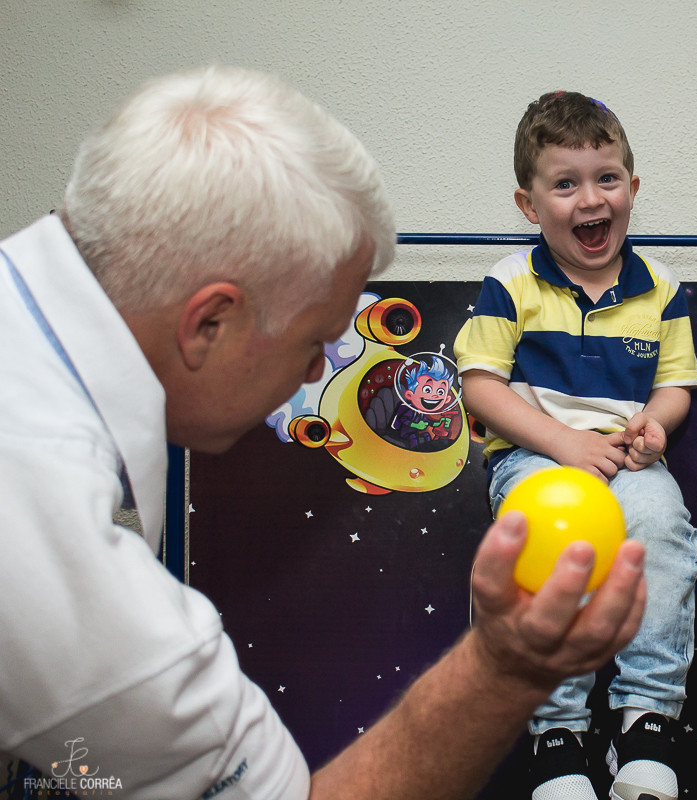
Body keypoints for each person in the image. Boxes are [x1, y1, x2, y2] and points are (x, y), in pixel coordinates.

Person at [0, 67, 646, 800]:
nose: (318, 368)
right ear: (209, 322)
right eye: (314, 341)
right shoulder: (50, 533)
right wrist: (508, 669)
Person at [454, 91, 697, 800]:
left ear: (632, 188)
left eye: (606, 178)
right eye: (564, 184)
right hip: (536, 457)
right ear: (529, 205)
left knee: (659, 523)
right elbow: (480, 387)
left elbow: (675, 385)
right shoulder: (509, 284)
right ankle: (558, 733)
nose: (589, 199)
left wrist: (656, 424)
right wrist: (563, 444)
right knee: (555, 535)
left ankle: (648, 720)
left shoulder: (661, 289)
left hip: (627, 459)